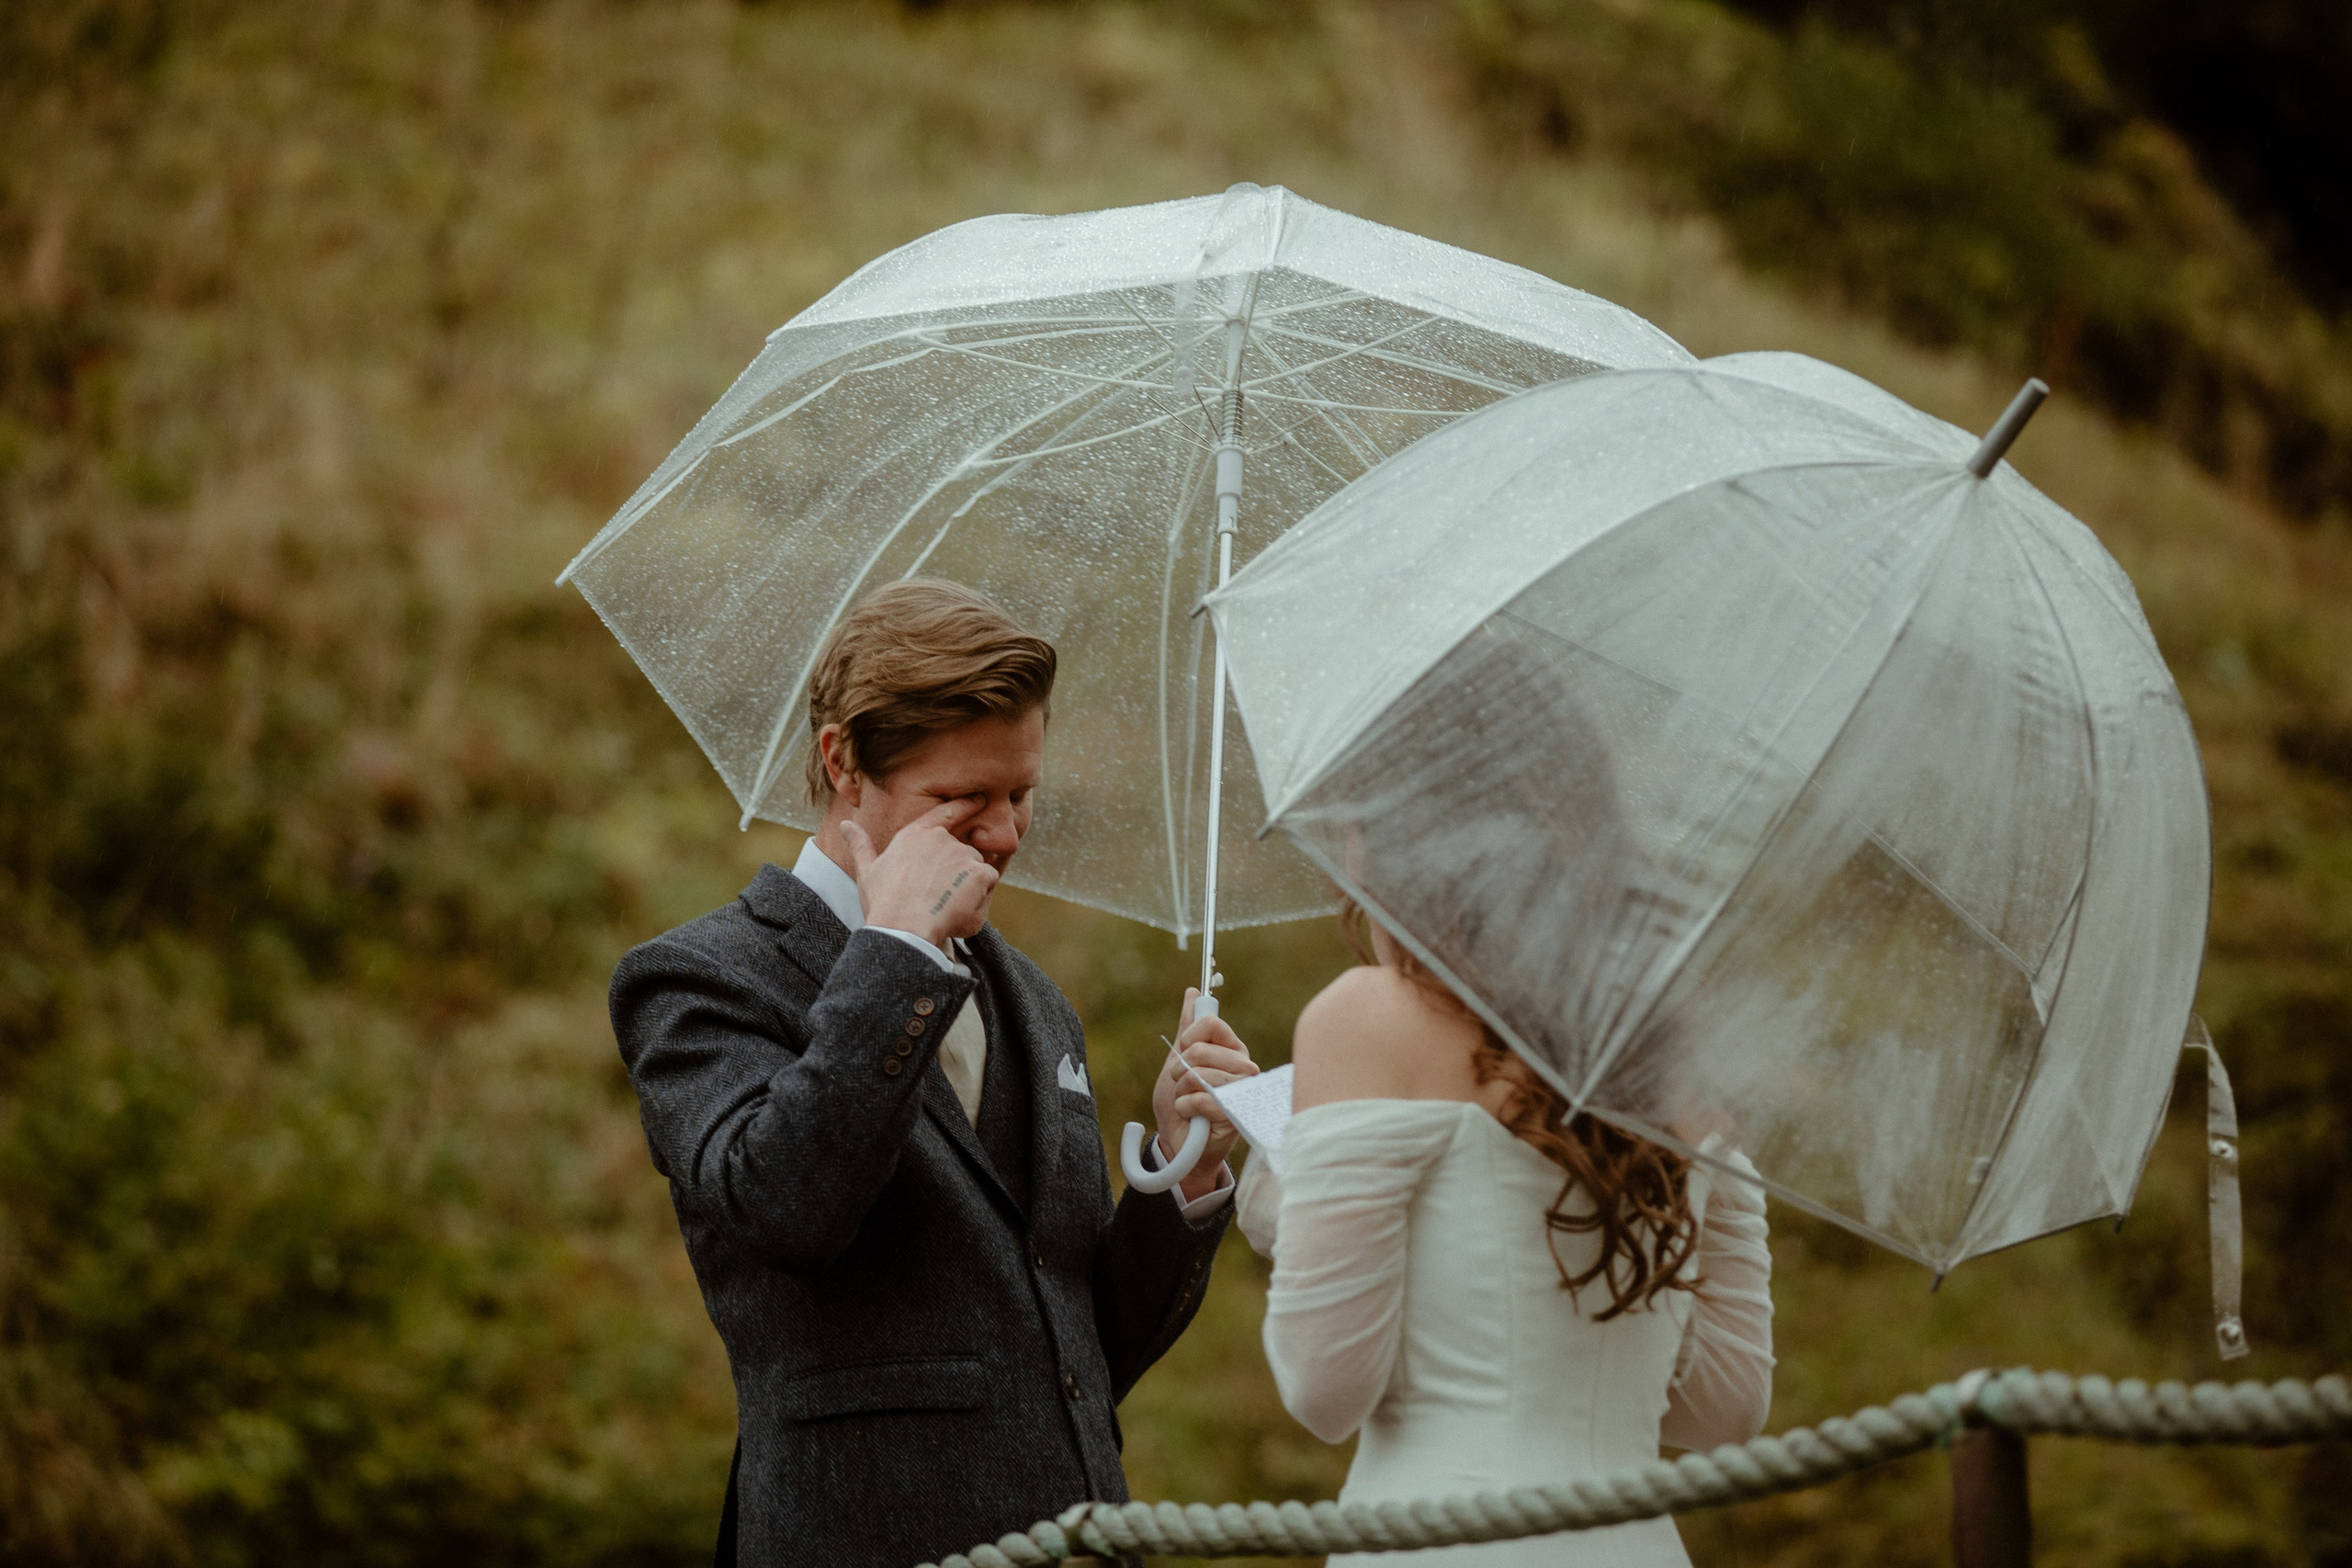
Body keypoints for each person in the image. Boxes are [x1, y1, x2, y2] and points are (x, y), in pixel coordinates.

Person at [610, 580, 1257, 1568]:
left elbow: (1076, 1356)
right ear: (844, 766)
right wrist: (896, 954)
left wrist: (1181, 1170)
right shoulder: (699, 979)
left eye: (1021, 795)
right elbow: (787, 1204)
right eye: (963, 800)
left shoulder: (1035, 1002)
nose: (1003, 836)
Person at [1236, 907, 1773, 1568]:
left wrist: (1285, 1200)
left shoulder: (1367, 1014)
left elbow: (1325, 1391)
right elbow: (1727, 1410)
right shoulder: (1680, 1054)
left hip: (1445, 1540)